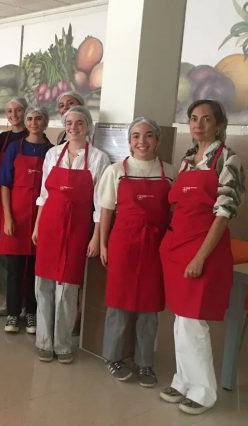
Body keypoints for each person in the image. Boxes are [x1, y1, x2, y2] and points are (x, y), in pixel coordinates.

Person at [159, 100, 245, 415]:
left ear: (219, 125)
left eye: (207, 119)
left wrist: (199, 257)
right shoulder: (186, 159)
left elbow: (223, 215)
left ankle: (204, 390)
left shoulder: (228, 160)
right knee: (181, 320)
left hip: (204, 250)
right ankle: (183, 380)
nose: (199, 125)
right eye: (194, 119)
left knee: (194, 322)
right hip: (177, 248)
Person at [98, 117, 175, 387]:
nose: (142, 141)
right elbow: (106, 210)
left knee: (149, 307)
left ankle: (145, 363)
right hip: (123, 244)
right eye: (136, 136)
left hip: (156, 247)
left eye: (149, 135)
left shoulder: (170, 172)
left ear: (158, 140)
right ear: (129, 141)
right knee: (117, 304)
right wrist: (103, 243)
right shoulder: (116, 171)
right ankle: (112, 357)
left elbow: (174, 214)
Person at [33, 105, 109, 363]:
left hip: (77, 228)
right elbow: (43, 195)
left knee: (67, 287)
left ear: (87, 126)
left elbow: (100, 204)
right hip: (50, 226)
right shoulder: (53, 154)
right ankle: (44, 340)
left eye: (79, 123)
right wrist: (37, 226)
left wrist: (96, 237)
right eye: (69, 123)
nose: (73, 128)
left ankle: (63, 343)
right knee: (43, 284)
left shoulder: (98, 158)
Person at [0, 106, 53, 334]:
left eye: (39, 118)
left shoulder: (52, 151)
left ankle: (31, 312)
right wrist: (8, 217)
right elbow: (4, 184)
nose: (33, 122)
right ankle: (12, 313)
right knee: (13, 268)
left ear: (45, 122)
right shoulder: (13, 148)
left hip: (41, 217)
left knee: (34, 269)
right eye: (30, 118)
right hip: (16, 216)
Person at [0, 97, 28, 316]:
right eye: (9, 110)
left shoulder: (34, 138)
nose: (13, 114)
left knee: (24, 257)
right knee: (3, 253)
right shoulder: (2, 139)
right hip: (1, 203)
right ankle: (8, 298)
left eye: (18, 110)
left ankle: (24, 301)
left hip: (24, 204)